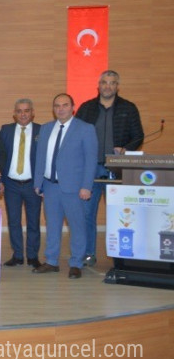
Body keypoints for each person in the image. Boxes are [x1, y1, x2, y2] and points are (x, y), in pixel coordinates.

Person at [75, 70, 144, 267]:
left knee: (120, 214)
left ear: (117, 86)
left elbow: (138, 135)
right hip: (90, 169)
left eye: (112, 83)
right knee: (87, 213)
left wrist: (126, 149)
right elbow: (75, 135)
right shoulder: (86, 108)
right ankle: (88, 253)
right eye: (104, 82)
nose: (108, 86)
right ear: (99, 86)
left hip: (117, 169)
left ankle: (120, 255)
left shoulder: (128, 108)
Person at [33, 93, 97, 280]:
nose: (61, 108)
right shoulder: (45, 129)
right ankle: (51, 261)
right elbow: (40, 158)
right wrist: (38, 182)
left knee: (77, 226)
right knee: (52, 226)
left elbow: (91, 161)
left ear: (73, 107)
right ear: (53, 109)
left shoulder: (85, 129)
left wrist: (87, 186)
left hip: (75, 188)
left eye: (65, 105)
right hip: (50, 186)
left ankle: (76, 263)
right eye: (57, 105)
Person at [0, 99, 42, 268]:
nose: (23, 114)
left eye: (26, 111)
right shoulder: (6, 130)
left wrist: (42, 183)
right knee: (13, 221)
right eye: (19, 111)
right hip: (11, 184)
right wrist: (1, 181)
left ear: (32, 112)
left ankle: (32, 256)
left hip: (33, 184)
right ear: (14, 113)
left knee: (33, 221)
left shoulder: (41, 130)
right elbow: (0, 157)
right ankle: (18, 255)